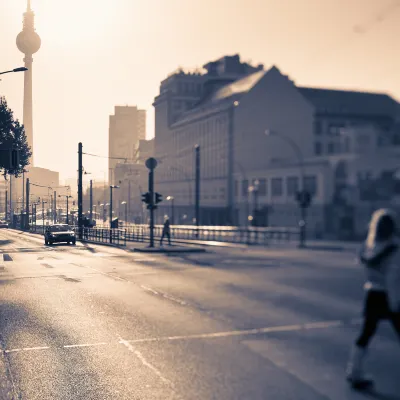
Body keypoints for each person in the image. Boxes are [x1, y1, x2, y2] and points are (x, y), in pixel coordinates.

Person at [346, 208, 400, 389]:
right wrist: (395, 304)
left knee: (366, 334)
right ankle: (354, 372)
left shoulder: (369, 247)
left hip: (372, 294)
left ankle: (354, 371)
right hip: (387, 295)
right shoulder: (394, 249)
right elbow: (393, 279)